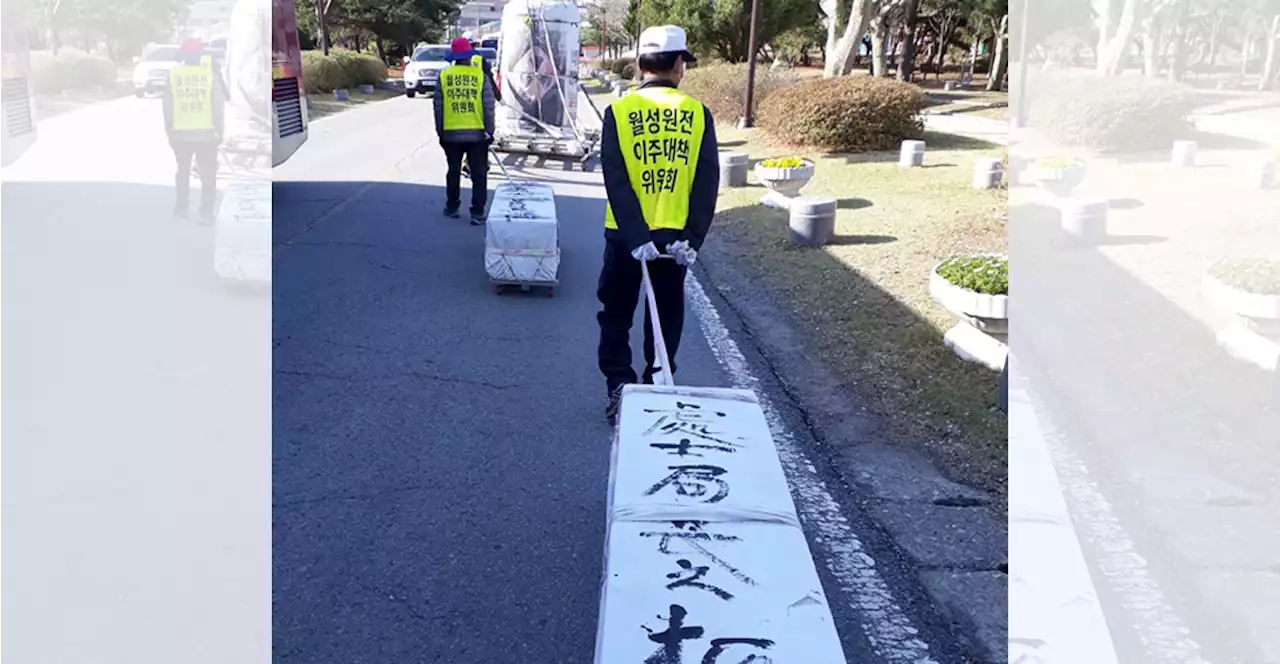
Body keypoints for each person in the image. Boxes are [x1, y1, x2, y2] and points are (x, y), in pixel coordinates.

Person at [597, 25, 719, 420]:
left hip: (624, 237)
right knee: (664, 317)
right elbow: (706, 182)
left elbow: (615, 177)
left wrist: (634, 235)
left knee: (616, 314)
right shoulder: (698, 115)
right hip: (674, 239)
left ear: (639, 65)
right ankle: (656, 390)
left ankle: (619, 388)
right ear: (679, 65)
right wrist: (693, 240)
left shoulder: (619, 111)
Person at [163, 37, 227, 223]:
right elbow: (218, 105)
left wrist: (169, 130)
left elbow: (167, 106)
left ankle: (181, 208)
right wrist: (219, 130)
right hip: (207, 135)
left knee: (182, 172)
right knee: (208, 174)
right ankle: (206, 214)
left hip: (180, 135)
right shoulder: (209, 75)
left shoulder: (174, 74)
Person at [433, 37, 497, 225]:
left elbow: (438, 107)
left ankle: (452, 206)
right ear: (469, 56)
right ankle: (477, 212)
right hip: (477, 134)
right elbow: (488, 106)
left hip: (451, 134)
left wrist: (440, 131)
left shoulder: (444, 76)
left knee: (453, 171)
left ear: (454, 57)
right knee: (478, 174)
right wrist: (489, 131)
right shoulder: (480, 77)